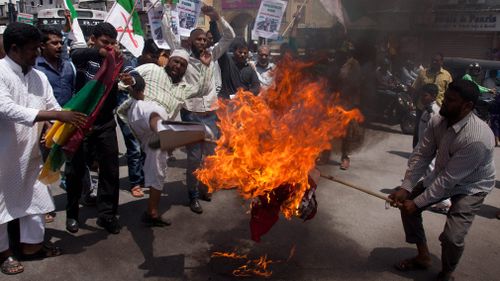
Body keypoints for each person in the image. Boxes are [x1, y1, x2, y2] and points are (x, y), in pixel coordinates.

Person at [0, 22, 86, 275]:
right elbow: (6, 108)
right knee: (1, 205)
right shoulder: (1, 72)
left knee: (35, 199)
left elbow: (53, 104)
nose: (37, 53)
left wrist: (57, 122)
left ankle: (31, 247)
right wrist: (52, 115)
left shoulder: (37, 76)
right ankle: (4, 254)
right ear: (14, 49)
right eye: (32, 49)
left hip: (31, 152)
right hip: (4, 154)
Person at [389, 80, 495, 281]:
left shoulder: (477, 138)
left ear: (468, 106)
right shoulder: (438, 120)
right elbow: (422, 154)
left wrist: (417, 202)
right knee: (407, 205)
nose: (444, 102)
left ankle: (447, 273)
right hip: (444, 173)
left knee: (452, 238)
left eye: (451, 100)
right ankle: (423, 257)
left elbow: (449, 180)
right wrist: (406, 187)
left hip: (471, 186)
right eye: (445, 97)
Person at [162, 4, 235, 214]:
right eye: (198, 39)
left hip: (211, 115)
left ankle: (206, 186)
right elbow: (168, 32)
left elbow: (229, 36)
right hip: (191, 114)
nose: (202, 42)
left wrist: (217, 17)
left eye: (204, 39)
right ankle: (193, 195)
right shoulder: (183, 55)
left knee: (212, 156)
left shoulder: (212, 54)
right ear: (190, 41)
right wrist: (167, 11)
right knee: (194, 158)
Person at [66, 22, 134, 234]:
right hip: (80, 122)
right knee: (75, 172)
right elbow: (74, 55)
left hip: (104, 123)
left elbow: (132, 73)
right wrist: (99, 51)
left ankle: (107, 215)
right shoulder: (81, 56)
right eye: (106, 42)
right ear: (93, 39)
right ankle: (72, 215)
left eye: (113, 43)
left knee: (110, 171)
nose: (110, 47)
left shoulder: (117, 60)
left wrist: (130, 78)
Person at [126, 50, 202, 226]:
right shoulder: (152, 69)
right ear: (168, 61)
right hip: (140, 112)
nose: (178, 66)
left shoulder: (183, 89)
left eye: (183, 65)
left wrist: (204, 65)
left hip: (154, 134)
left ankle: (151, 212)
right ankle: (165, 130)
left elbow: (202, 88)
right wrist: (131, 82)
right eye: (176, 62)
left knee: (159, 168)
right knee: (156, 110)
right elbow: (132, 75)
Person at [411, 53, 453, 147]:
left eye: (437, 60)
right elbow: (415, 88)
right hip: (422, 108)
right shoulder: (423, 73)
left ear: (442, 61)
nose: (434, 62)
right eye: (433, 60)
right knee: (419, 129)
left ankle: (432, 152)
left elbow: (450, 92)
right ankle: (416, 151)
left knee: (436, 131)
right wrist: (413, 102)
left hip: (439, 109)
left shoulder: (447, 75)